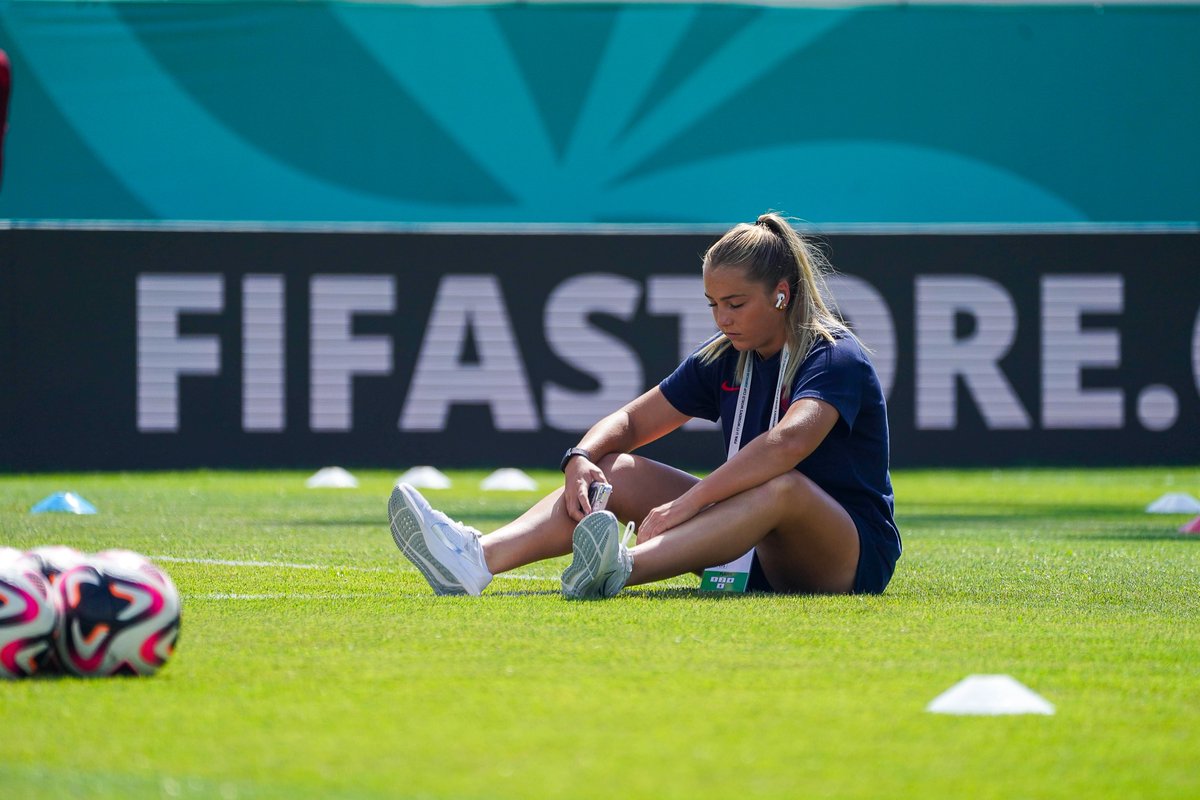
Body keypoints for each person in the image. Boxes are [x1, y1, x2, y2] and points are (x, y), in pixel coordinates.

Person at [388, 212, 900, 599]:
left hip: (845, 558)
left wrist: (688, 504)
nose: (722, 318)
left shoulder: (835, 356)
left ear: (782, 295)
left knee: (783, 488)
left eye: (736, 304)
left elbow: (786, 445)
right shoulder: (726, 356)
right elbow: (633, 419)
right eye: (713, 305)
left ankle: (622, 567)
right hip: (753, 549)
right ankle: (474, 560)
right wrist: (580, 458)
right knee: (618, 470)